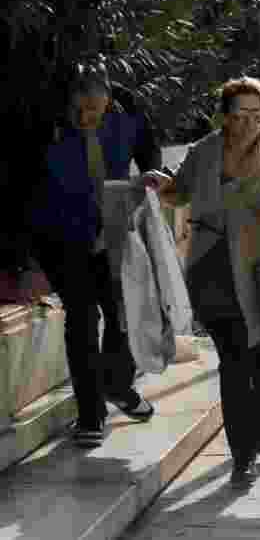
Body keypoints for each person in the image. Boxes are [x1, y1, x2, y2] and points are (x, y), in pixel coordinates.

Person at [144, 77, 260, 488]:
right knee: (234, 366)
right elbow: (179, 193)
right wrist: (160, 184)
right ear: (225, 117)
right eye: (240, 115)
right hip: (214, 269)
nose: (250, 123)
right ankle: (242, 454)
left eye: (257, 115)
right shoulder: (204, 152)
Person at [25, 56, 156, 448]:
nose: (86, 118)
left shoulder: (128, 109)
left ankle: (117, 385)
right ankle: (90, 414)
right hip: (61, 235)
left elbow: (149, 152)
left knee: (121, 313)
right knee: (82, 319)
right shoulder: (46, 124)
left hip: (112, 228)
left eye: (94, 110)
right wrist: (27, 257)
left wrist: (150, 175)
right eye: (79, 110)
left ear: (109, 101)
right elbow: (24, 185)